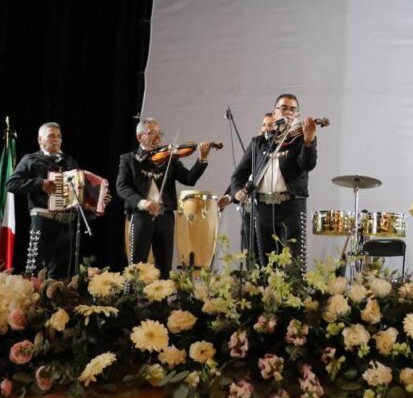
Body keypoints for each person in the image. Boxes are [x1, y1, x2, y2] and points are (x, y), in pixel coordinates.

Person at [226, 94, 318, 267]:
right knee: (265, 264)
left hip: (291, 207)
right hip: (262, 208)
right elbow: (239, 174)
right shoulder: (259, 143)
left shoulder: (300, 139)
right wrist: (237, 190)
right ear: (275, 113)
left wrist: (308, 140)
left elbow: (307, 164)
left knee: (293, 264)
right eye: (283, 108)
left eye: (293, 109)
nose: (288, 112)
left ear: (297, 115)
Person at [116, 118, 212, 275]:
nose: (158, 137)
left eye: (159, 133)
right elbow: (122, 186)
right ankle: (134, 298)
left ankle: (161, 299)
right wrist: (142, 202)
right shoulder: (129, 159)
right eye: (152, 133)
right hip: (140, 216)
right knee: (137, 266)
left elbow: (189, 179)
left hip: (165, 217)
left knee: (164, 267)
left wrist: (202, 159)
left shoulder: (169, 158)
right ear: (140, 137)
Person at [7, 122, 80, 277]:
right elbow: (11, 184)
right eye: (51, 136)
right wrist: (40, 184)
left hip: (67, 224)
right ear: (40, 140)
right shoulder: (31, 159)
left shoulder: (69, 162)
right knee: (36, 272)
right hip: (43, 220)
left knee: (61, 275)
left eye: (59, 136)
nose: (56, 139)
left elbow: (77, 193)